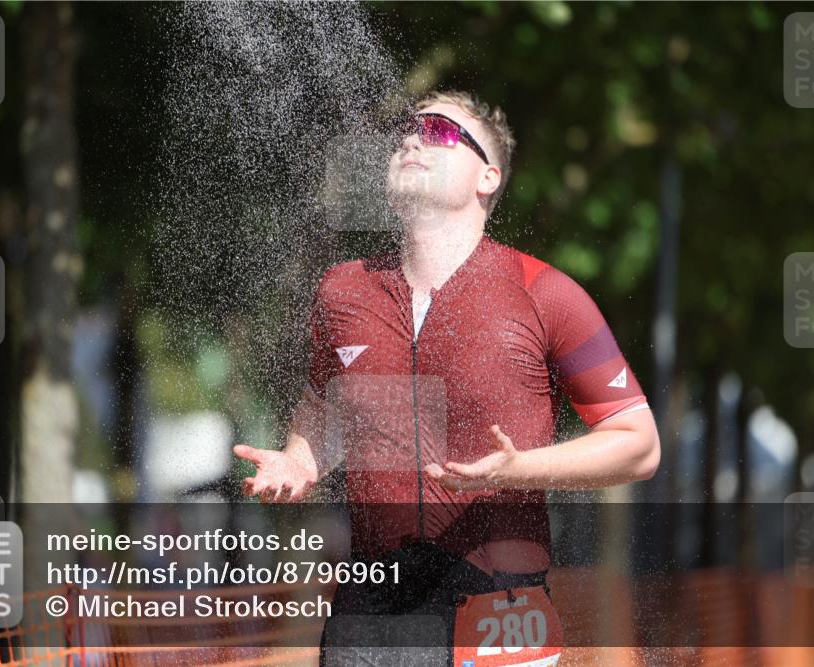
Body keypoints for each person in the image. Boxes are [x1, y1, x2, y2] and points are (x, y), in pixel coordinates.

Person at [233, 90, 661, 666]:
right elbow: (326, 403)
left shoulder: (545, 293)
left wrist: (521, 468)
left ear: (488, 176)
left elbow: (639, 445)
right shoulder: (343, 290)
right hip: (371, 608)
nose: (414, 138)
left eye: (439, 131)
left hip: (500, 604)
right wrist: (301, 459)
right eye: (408, 131)